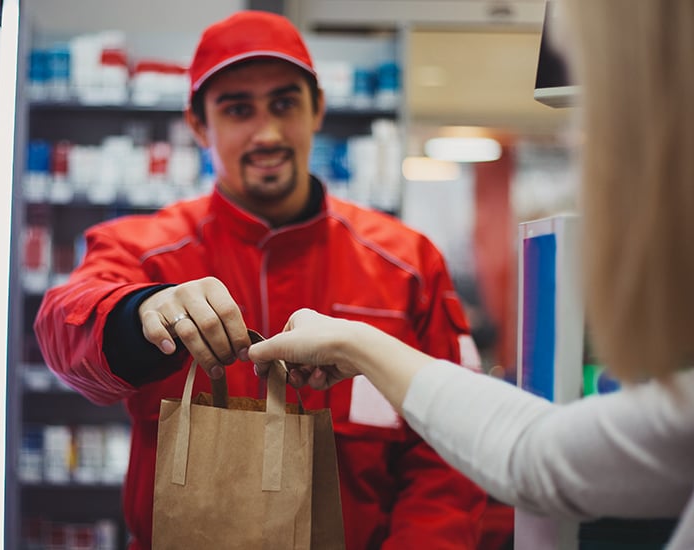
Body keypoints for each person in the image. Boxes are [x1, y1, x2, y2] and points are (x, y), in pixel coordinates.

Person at [34, 9, 489, 549]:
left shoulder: (406, 263)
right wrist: (143, 313)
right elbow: (65, 325)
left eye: (284, 104)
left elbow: (448, 455)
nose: (267, 133)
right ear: (200, 125)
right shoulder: (145, 249)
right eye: (238, 109)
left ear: (317, 109)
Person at [248, 1, 694, 548]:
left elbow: (505, 465)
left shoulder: (404, 256)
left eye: (597, 117)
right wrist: (357, 344)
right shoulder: (143, 247)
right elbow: (539, 456)